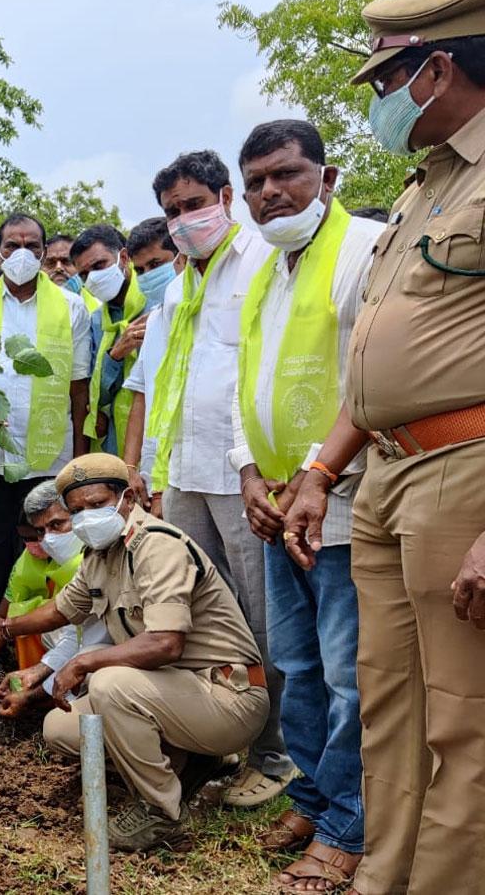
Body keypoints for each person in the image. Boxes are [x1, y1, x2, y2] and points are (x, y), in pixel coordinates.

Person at [283, 2, 485, 891]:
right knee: (389, 708)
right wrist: (323, 469)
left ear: (438, 70)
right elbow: (376, 360)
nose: (381, 101)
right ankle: (383, 878)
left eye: (390, 78)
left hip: (464, 470)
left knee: (464, 719)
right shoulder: (425, 185)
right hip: (386, 473)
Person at [0, 453, 269, 852]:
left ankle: (160, 812)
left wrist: (83, 662)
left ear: (127, 498)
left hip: (227, 696)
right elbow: (63, 609)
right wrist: (5, 627)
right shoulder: (101, 554)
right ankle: (195, 762)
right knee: (61, 730)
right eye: (77, 511)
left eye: (97, 505)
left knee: (111, 683)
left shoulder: (158, 547)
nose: (87, 518)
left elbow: (167, 643)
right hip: (176, 696)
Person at [231, 119, 380, 893]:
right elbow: (242, 385)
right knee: (296, 664)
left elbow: (372, 382)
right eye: (255, 181)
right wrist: (251, 474)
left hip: (345, 505)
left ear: (327, 176)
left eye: (285, 174)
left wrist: (318, 474)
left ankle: (348, 825)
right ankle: (314, 796)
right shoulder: (264, 271)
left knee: (349, 673)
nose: (268, 193)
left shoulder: (364, 251)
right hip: (276, 504)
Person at [140, 150, 292, 808]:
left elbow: (266, 374)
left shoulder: (262, 264)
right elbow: (158, 384)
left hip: (243, 475)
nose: (183, 220)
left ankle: (277, 753)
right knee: (203, 615)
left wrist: (257, 466)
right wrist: (149, 473)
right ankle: (219, 736)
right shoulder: (177, 287)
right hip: (183, 474)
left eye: (194, 204)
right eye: (172, 211)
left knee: (263, 618)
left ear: (226, 197)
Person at [0, 212, 92, 612]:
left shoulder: (71, 308)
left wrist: (81, 457)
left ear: (45, 251)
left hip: (52, 453)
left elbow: (79, 386)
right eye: (12, 246)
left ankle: (42, 637)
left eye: (32, 246)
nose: (22, 253)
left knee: (50, 545)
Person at [0, 481, 111, 718]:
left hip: (120, 670)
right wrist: (35, 673)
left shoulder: (99, 558)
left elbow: (90, 646)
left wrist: (33, 697)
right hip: (90, 650)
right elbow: (74, 636)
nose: (48, 539)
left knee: (60, 726)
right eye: (41, 531)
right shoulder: (78, 559)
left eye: (57, 525)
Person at [120, 217, 182, 519]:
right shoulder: (154, 320)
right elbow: (141, 396)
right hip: (150, 470)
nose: (147, 276)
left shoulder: (205, 314)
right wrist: (130, 469)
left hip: (184, 475)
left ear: (180, 257)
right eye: (140, 270)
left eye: (156, 264)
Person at [72, 224, 148, 456]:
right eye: (84, 274)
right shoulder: (96, 321)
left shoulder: (154, 302)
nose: (92, 278)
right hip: (115, 440)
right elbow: (97, 398)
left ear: (123, 257)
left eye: (99, 266)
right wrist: (115, 354)